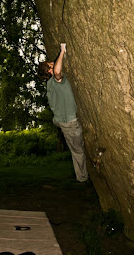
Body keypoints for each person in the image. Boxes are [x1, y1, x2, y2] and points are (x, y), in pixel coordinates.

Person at [38, 44, 88, 182]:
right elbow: (58, 72)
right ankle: (83, 178)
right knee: (78, 152)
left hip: (62, 123)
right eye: (50, 64)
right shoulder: (56, 80)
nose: (53, 63)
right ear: (49, 71)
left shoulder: (49, 85)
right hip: (69, 124)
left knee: (75, 151)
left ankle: (81, 176)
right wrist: (62, 52)